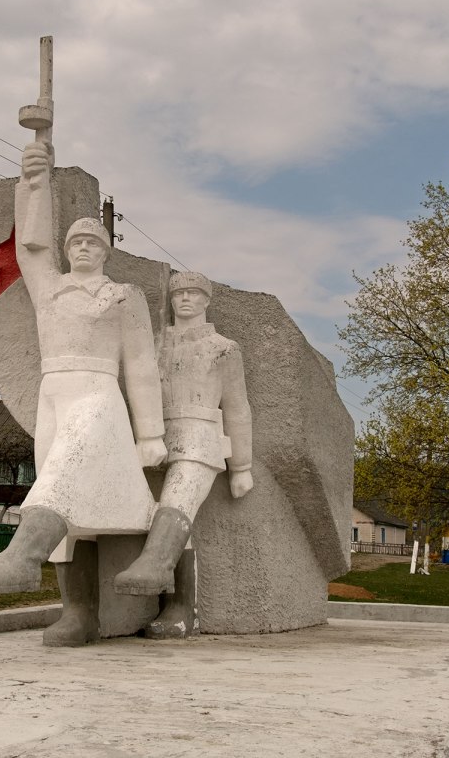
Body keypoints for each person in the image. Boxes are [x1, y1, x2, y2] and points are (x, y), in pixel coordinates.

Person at [0, 140, 166, 646]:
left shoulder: (124, 297)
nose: (82, 248)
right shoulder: (49, 287)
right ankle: (78, 614)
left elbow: (141, 367)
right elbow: (30, 246)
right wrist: (33, 182)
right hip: (53, 392)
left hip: (100, 395)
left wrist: (151, 433)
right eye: (75, 241)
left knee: (60, 473)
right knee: (64, 497)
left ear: (106, 250)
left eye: (92, 243)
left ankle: (23, 554)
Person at [114, 271, 253, 636]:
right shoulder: (154, 345)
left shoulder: (224, 348)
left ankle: (156, 569)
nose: (186, 300)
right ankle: (180, 610)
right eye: (179, 294)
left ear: (207, 301)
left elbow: (238, 409)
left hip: (200, 439)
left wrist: (241, 466)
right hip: (156, 438)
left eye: (194, 293)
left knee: (175, 505)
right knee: (176, 522)